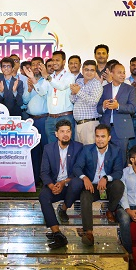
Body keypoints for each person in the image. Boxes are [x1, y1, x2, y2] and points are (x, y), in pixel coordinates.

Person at [69, 124, 125, 245]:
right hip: (92, 186)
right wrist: (84, 178)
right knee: (85, 196)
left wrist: (106, 178)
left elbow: (118, 172)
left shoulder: (116, 151)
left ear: (109, 138)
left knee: (119, 185)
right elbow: (77, 167)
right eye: (97, 136)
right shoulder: (87, 149)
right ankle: (88, 232)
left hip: (107, 186)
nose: (99, 139)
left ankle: (110, 210)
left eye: (103, 136)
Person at [38, 119, 84, 249]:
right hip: (55, 185)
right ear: (56, 134)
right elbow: (44, 172)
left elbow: (79, 170)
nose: (65, 135)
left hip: (70, 185)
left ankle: (63, 208)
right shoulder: (48, 148)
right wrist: (52, 186)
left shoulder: (79, 147)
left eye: (68, 131)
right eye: (62, 132)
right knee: (43, 196)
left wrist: (64, 182)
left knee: (76, 182)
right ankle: (57, 233)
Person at [26, 51, 76, 142]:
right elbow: (42, 92)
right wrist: (33, 78)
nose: (54, 62)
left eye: (57, 60)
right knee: (52, 146)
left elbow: (61, 86)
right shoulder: (49, 77)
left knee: (67, 144)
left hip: (65, 116)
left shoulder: (69, 76)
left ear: (64, 61)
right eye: (53, 60)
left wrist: (46, 76)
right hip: (50, 118)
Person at [97, 63, 136, 162]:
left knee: (121, 158)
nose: (123, 75)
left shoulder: (130, 89)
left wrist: (118, 106)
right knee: (105, 157)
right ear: (111, 73)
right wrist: (103, 107)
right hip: (106, 128)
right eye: (119, 72)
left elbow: (133, 108)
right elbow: (98, 109)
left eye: (124, 73)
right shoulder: (104, 88)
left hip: (122, 129)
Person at [23, 57, 49, 185]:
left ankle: (46, 178)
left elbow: (43, 94)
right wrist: (29, 89)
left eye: (39, 64)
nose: (35, 67)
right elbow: (24, 101)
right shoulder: (27, 81)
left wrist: (35, 83)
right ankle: (35, 178)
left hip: (44, 119)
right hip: (31, 121)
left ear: (43, 66)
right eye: (33, 64)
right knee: (33, 149)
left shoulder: (47, 81)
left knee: (45, 150)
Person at [70, 60, 102, 145]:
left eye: (92, 70)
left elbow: (93, 102)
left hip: (90, 124)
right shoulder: (78, 81)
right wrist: (73, 93)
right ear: (82, 70)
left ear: (95, 72)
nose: (89, 73)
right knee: (79, 151)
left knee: (89, 150)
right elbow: (73, 100)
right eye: (87, 70)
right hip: (78, 124)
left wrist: (78, 91)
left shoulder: (97, 84)